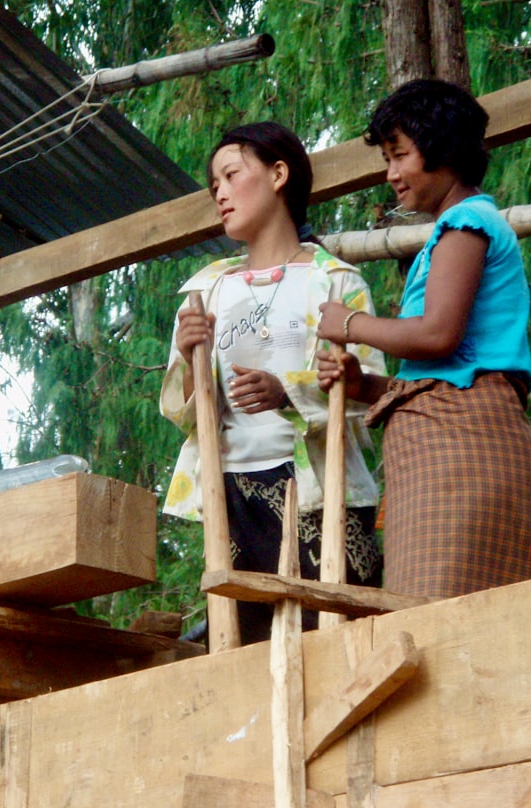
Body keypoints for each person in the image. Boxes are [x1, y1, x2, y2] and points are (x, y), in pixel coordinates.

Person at [317, 79, 531, 600]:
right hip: (464, 439)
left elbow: (439, 335)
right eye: (386, 159)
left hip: (463, 452)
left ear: (443, 147)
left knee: (434, 625)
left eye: (400, 155)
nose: (391, 175)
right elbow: (447, 371)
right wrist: (366, 384)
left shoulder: (466, 221)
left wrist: (348, 325)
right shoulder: (459, 228)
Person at [160, 121, 385, 645]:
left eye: (231, 174)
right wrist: (191, 359)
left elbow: (372, 390)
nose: (219, 191)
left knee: (332, 632)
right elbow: (182, 412)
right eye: (213, 183)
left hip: (319, 492)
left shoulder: (337, 282)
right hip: (230, 492)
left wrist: (289, 392)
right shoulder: (205, 291)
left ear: (279, 174)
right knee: (245, 644)